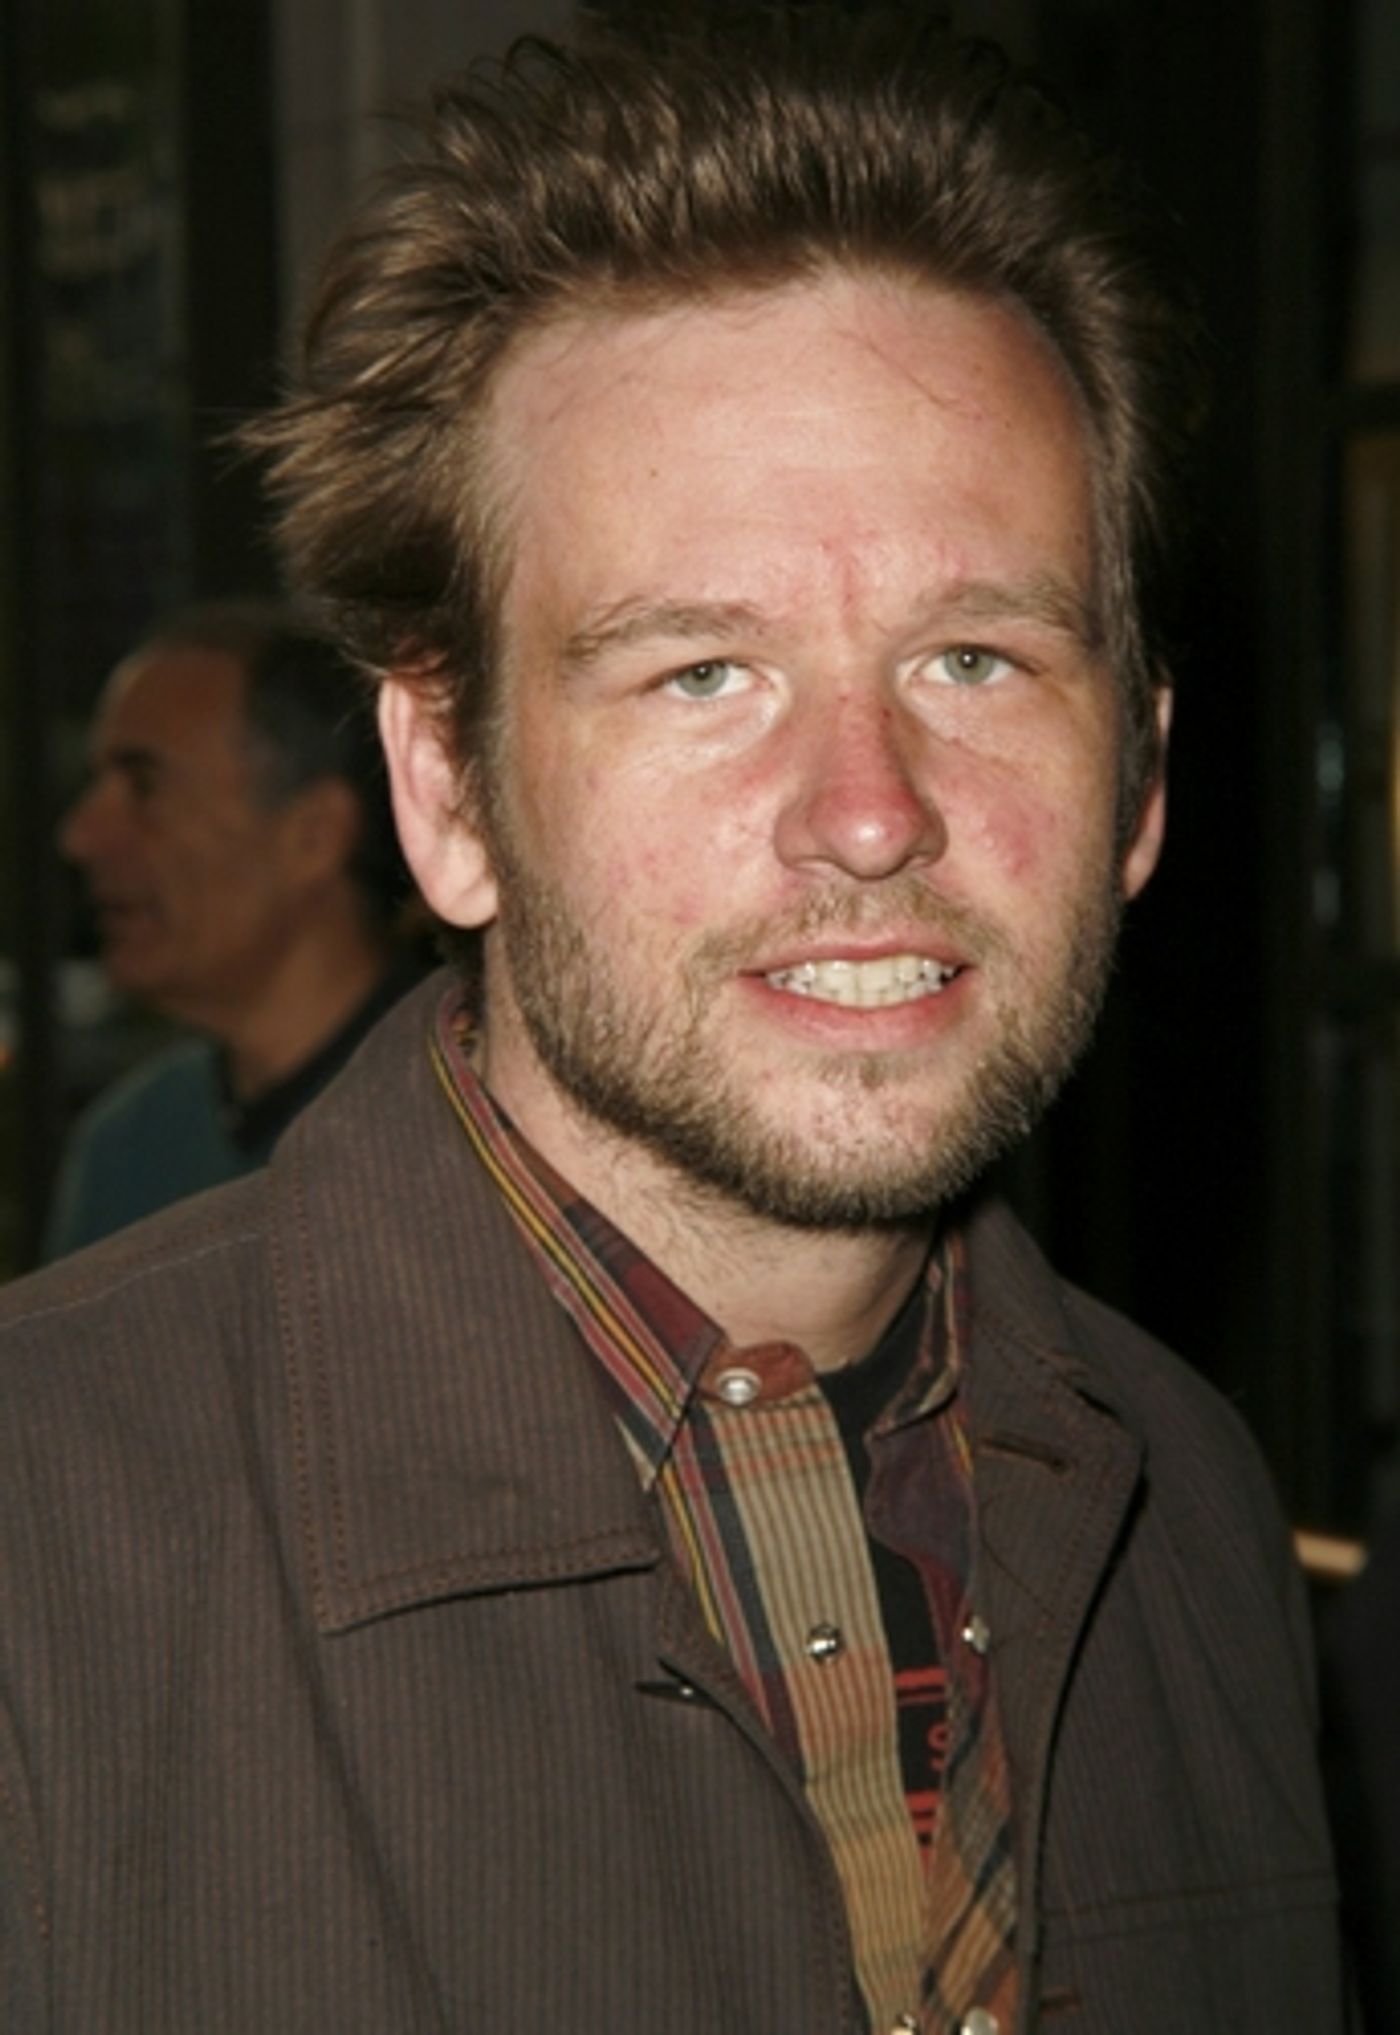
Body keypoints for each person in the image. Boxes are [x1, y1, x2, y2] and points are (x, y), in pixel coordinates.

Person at [0, 13, 1346, 2031]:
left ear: (1140, 777)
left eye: (975, 659)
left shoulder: (1191, 1506)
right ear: (446, 793)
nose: (870, 813)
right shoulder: (40, 1552)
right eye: (702, 673)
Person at [46, 602, 422, 1253]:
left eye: (144, 786)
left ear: (313, 834)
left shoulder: (471, 1128)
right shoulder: (130, 1147)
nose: (81, 836)